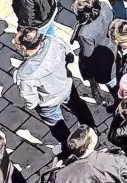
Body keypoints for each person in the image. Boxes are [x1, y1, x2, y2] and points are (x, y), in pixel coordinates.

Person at [15, 25, 96, 154]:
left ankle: (69, 147)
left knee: (57, 125)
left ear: (24, 48)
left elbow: (29, 98)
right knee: (79, 108)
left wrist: (35, 106)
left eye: (16, 43)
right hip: (66, 86)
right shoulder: (53, 41)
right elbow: (69, 56)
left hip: (48, 102)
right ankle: (91, 130)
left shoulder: (25, 74)